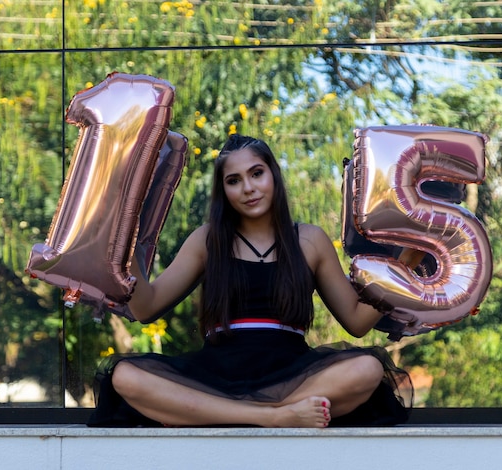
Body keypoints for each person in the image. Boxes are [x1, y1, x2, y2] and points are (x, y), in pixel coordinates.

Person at [87, 134, 413, 428]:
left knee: (368, 368)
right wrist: (122, 234)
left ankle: (210, 414)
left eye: (256, 173)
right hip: (214, 375)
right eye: (234, 180)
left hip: (294, 374)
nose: (248, 188)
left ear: (273, 174)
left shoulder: (310, 240)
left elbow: (356, 321)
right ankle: (274, 417)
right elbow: (146, 308)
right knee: (126, 377)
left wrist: (408, 258)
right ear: (224, 191)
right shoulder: (208, 240)